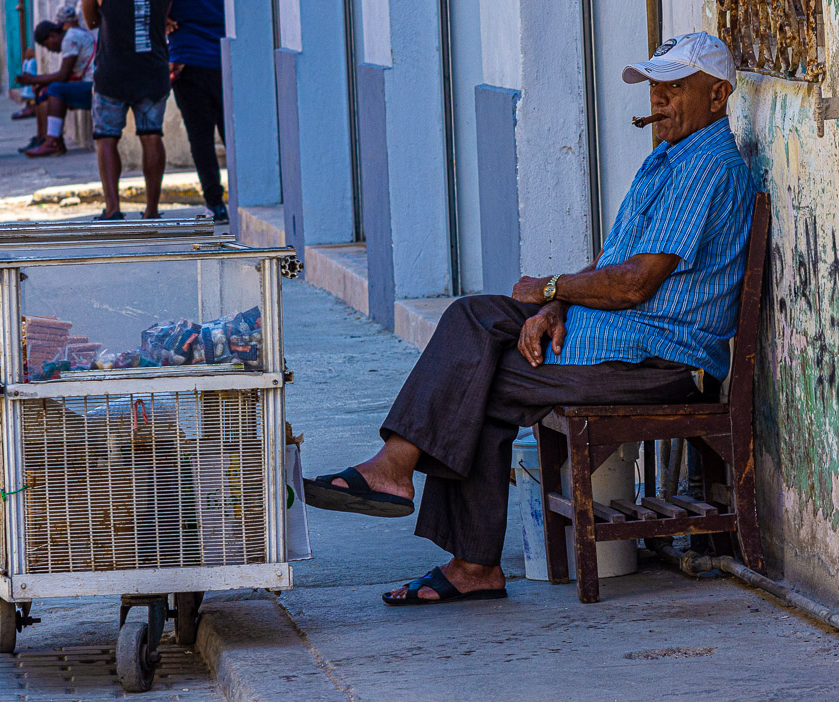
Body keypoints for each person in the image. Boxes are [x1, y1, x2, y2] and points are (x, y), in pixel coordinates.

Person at [302, 32, 755, 606]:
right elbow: (613, 263)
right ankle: (441, 527)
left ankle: (433, 515)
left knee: (475, 376)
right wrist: (556, 304)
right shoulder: (668, 160)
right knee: (474, 336)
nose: (658, 100)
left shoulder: (709, 166)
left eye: (674, 88)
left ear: (717, 96)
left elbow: (637, 283)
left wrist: (550, 286)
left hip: (663, 359)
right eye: (654, 87)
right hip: (619, 341)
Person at [81, 0, 169, 220]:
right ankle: (151, 210)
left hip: (113, 70)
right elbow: (165, 15)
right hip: (152, 68)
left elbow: (90, 21)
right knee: (152, 135)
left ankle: (112, 208)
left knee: (106, 138)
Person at [166, 0, 228, 223]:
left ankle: (216, 204)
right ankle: (245, 198)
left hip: (188, 59)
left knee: (200, 138)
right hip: (227, 57)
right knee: (233, 135)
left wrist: (161, 19)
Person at [17, 6, 95, 158]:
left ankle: (53, 141)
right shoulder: (72, 36)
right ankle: (43, 138)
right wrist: (39, 83)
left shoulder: (70, 39)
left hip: (95, 87)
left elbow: (63, 76)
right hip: (90, 83)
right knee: (46, 89)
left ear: (52, 36)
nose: (50, 50)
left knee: (56, 89)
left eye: (47, 45)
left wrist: (32, 79)